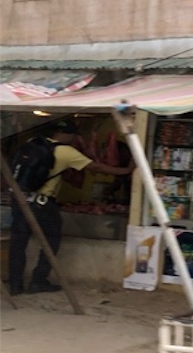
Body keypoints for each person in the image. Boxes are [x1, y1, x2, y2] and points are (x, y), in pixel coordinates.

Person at [7, 118, 135, 295]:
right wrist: (126, 171)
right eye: (73, 135)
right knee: (51, 241)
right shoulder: (66, 152)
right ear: (67, 135)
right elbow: (96, 167)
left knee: (18, 243)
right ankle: (38, 280)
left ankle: (15, 285)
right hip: (42, 204)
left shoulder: (32, 142)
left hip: (19, 200)